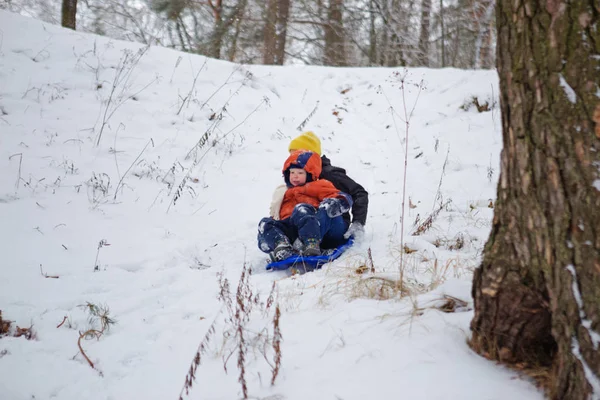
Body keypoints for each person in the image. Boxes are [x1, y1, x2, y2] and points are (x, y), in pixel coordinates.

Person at [258, 150, 353, 261]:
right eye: (292, 173)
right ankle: (282, 245)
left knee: (301, 209)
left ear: (309, 174)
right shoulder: (285, 192)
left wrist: (338, 202)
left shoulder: (318, 185)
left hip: (318, 227)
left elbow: (339, 196)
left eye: (300, 173)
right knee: (265, 223)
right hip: (295, 229)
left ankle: (311, 243)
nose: (295, 176)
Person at [286, 131, 368, 240]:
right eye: (291, 155)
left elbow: (359, 193)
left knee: (326, 206)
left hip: (334, 226)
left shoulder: (330, 174)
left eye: (297, 154)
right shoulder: (296, 177)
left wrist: (358, 222)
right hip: (307, 225)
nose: (293, 159)